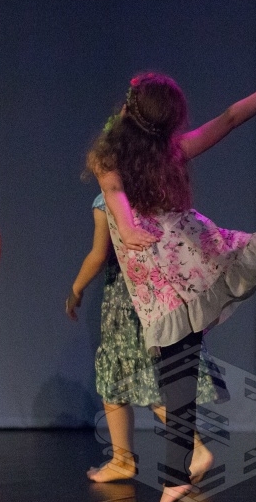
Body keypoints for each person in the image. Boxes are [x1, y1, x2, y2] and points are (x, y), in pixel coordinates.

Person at [90, 53, 256, 502]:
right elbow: (118, 197)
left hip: (174, 275)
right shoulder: (163, 152)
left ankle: (174, 479)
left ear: (127, 112)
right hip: (190, 263)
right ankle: (174, 479)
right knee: (179, 374)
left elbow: (119, 199)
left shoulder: (125, 155)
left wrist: (127, 227)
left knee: (178, 376)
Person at [67, 192, 223, 484]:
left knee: (131, 378)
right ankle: (122, 459)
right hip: (162, 295)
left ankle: (193, 450)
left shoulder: (107, 201)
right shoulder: (159, 192)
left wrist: (76, 289)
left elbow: (99, 255)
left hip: (128, 300)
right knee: (144, 376)